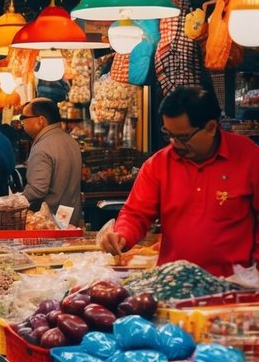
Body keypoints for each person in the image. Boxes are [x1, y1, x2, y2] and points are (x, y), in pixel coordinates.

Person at [99, 86, 259, 276]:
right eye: (169, 135)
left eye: (183, 137)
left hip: (237, 286)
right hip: (175, 283)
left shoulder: (249, 157)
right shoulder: (157, 165)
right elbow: (136, 214)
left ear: (211, 128)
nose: (175, 143)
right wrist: (122, 236)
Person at [19, 98, 83, 226]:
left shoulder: (42, 147)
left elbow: (37, 190)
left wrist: (14, 201)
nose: (22, 123)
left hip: (49, 224)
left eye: (24, 117)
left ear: (40, 120)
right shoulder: (70, 141)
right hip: (71, 220)